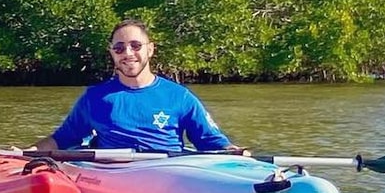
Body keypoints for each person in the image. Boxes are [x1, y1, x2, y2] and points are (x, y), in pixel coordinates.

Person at [28, 19, 245, 154]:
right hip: (114, 175)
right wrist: (26, 152)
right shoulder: (95, 98)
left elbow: (211, 142)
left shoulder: (180, 97)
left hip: (168, 172)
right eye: (119, 48)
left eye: (136, 46)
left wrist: (232, 152)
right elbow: (63, 139)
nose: (128, 53)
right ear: (112, 53)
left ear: (150, 50)